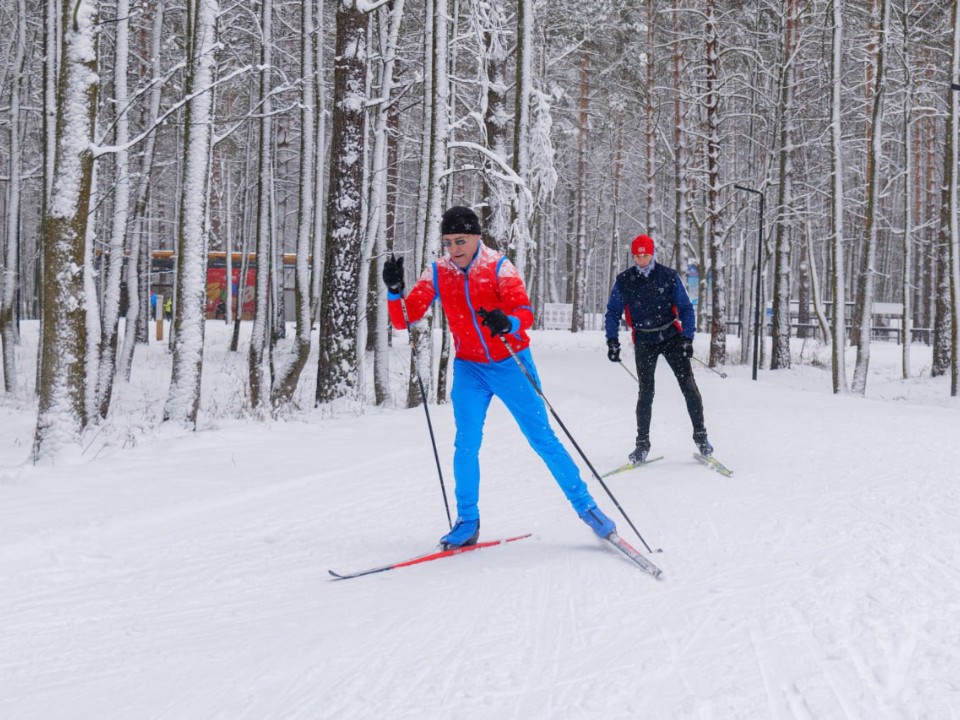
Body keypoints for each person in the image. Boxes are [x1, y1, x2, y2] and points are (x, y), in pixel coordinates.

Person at [382, 205, 617, 549]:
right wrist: (393, 290)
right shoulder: (438, 271)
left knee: (542, 439)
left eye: (461, 240)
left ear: (477, 237)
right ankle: (467, 520)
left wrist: (508, 323)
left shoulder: (498, 267)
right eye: (448, 242)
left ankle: (588, 508)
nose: (454, 249)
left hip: (510, 363)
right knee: (466, 443)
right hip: (470, 368)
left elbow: (524, 312)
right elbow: (405, 318)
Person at [605, 233, 712, 463]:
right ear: (633, 256)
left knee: (688, 385)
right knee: (646, 391)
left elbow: (686, 308)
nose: (641, 259)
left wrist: (687, 338)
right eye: (637, 255)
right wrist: (612, 341)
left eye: (645, 254)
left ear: (652, 253)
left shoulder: (668, 277)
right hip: (644, 339)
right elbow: (613, 312)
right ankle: (642, 445)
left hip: (671, 335)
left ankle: (701, 437)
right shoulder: (625, 280)